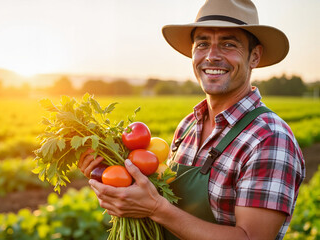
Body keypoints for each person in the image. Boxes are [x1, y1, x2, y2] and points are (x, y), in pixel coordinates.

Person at [78, 0, 305, 239]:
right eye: (203, 44)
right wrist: (110, 175)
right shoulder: (188, 126)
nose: (212, 56)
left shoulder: (270, 138)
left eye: (228, 44)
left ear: (254, 57)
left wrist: (156, 208)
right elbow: (164, 205)